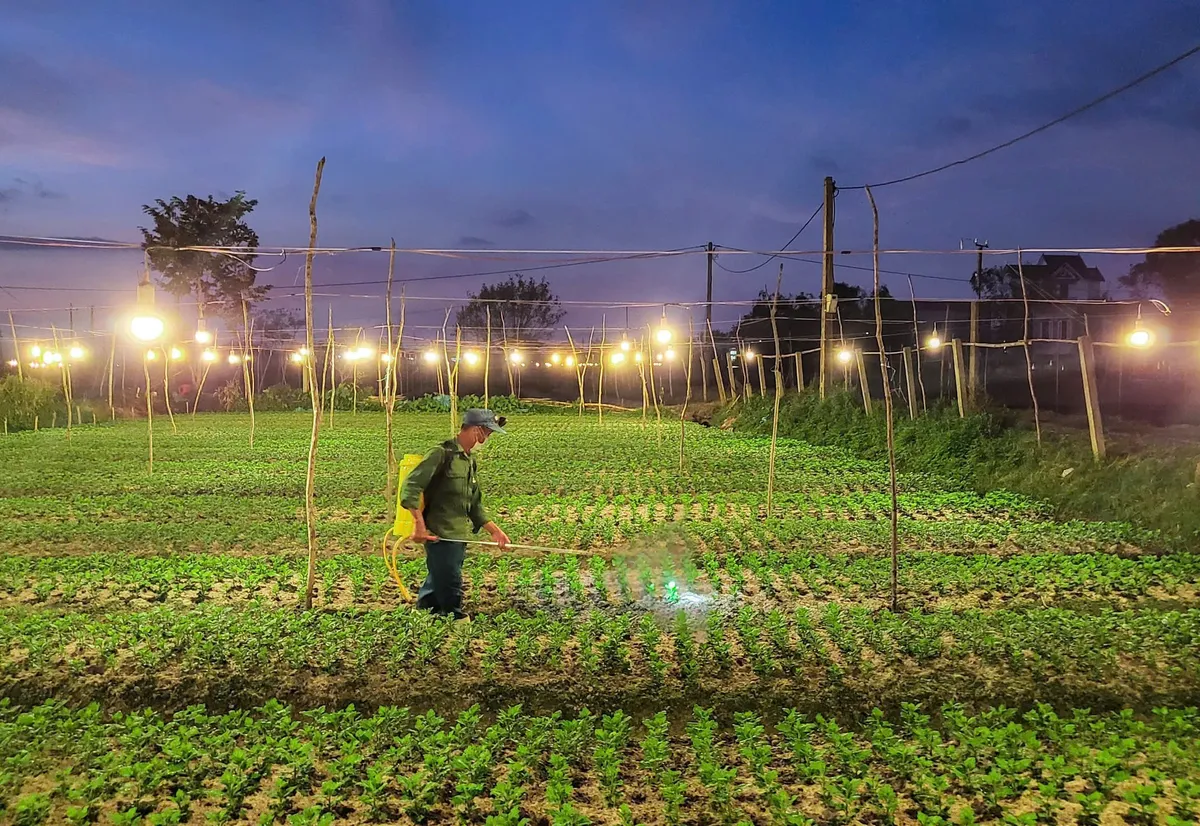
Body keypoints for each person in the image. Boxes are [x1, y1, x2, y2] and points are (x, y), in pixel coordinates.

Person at [401, 408, 511, 618]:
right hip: (440, 533)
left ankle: (424, 615)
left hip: (458, 535)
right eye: (487, 433)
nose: (487, 439)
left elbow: (474, 503)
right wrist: (419, 524)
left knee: (438, 579)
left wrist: (495, 531)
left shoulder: (469, 461)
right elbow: (411, 487)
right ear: (476, 430)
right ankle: (455, 619)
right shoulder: (441, 453)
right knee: (450, 581)